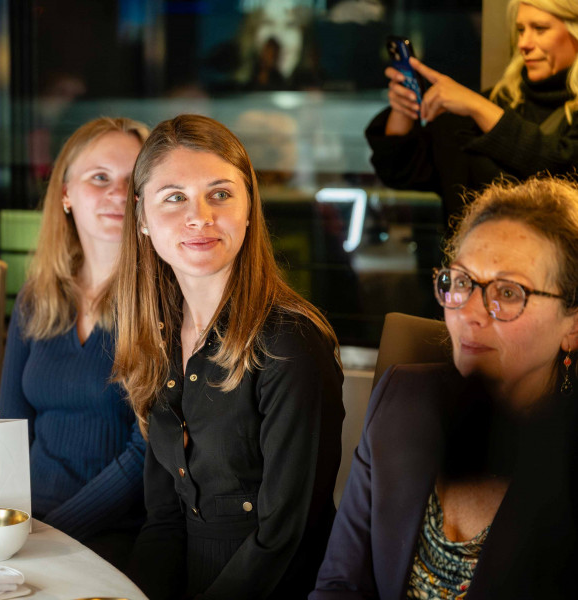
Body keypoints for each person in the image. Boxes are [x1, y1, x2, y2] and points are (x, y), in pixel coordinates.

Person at [311, 177, 578, 599]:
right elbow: (339, 584)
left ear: (573, 326)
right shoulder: (401, 399)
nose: (469, 312)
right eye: (462, 282)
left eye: (509, 292)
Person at [112, 114, 344, 599]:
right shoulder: (159, 336)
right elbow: (164, 518)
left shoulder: (291, 343)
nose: (200, 217)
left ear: (249, 207)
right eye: (174, 197)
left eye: (220, 194)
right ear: (141, 217)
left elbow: (284, 538)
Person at [0, 117, 150, 569]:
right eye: (99, 178)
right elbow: (11, 428)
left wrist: (52, 533)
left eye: (133, 182)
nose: (118, 193)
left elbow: (145, 455)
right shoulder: (37, 296)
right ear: (66, 194)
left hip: (116, 535)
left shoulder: (161, 304)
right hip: (26, 525)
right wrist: (4, 526)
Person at [366, 0, 578, 222]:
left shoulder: (482, 108)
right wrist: (404, 109)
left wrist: (478, 107)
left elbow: (564, 168)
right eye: (521, 30)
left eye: (540, 29)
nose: (524, 43)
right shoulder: (498, 101)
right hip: (469, 245)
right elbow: (399, 170)